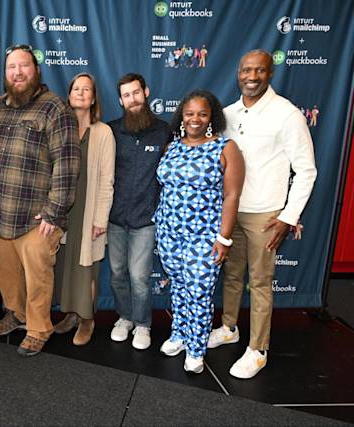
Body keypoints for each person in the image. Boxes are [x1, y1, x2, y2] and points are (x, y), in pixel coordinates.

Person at [207, 49, 317, 379]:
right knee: (231, 276)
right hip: (230, 211)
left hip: (266, 216)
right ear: (238, 73)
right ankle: (229, 328)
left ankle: (258, 349)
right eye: (246, 70)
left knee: (260, 282)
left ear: (270, 74)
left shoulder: (287, 115)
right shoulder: (227, 114)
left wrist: (287, 216)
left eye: (259, 70)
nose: (251, 77)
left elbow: (307, 170)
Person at [0, 44, 80, 356]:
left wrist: (54, 213)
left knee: (38, 277)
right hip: (2, 213)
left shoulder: (55, 108)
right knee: (8, 274)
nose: (17, 72)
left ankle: (39, 328)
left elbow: (67, 164)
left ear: (36, 70)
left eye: (24, 66)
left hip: (38, 217)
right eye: (11, 67)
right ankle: (16, 313)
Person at [155, 90, 244, 374]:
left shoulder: (225, 148)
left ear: (212, 117)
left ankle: (196, 348)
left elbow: (231, 196)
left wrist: (224, 238)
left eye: (202, 114)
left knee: (199, 292)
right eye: (190, 113)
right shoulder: (172, 147)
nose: (195, 119)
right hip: (169, 232)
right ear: (182, 116)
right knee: (180, 287)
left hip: (204, 236)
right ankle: (180, 334)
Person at [107, 73, 172, 350]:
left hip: (145, 220)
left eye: (136, 93)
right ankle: (125, 318)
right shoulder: (111, 131)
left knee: (140, 277)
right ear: (120, 100)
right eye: (126, 95)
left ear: (145, 92)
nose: (132, 99)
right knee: (118, 274)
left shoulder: (164, 131)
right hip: (115, 219)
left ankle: (143, 324)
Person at [52, 73, 115, 346]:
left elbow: (107, 180)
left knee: (87, 270)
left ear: (93, 98)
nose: (80, 92)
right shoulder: (60, 129)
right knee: (65, 268)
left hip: (89, 213)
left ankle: (87, 321)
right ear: (69, 95)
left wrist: (100, 218)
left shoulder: (103, 133)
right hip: (64, 213)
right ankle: (71, 315)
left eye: (86, 89)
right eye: (76, 88)